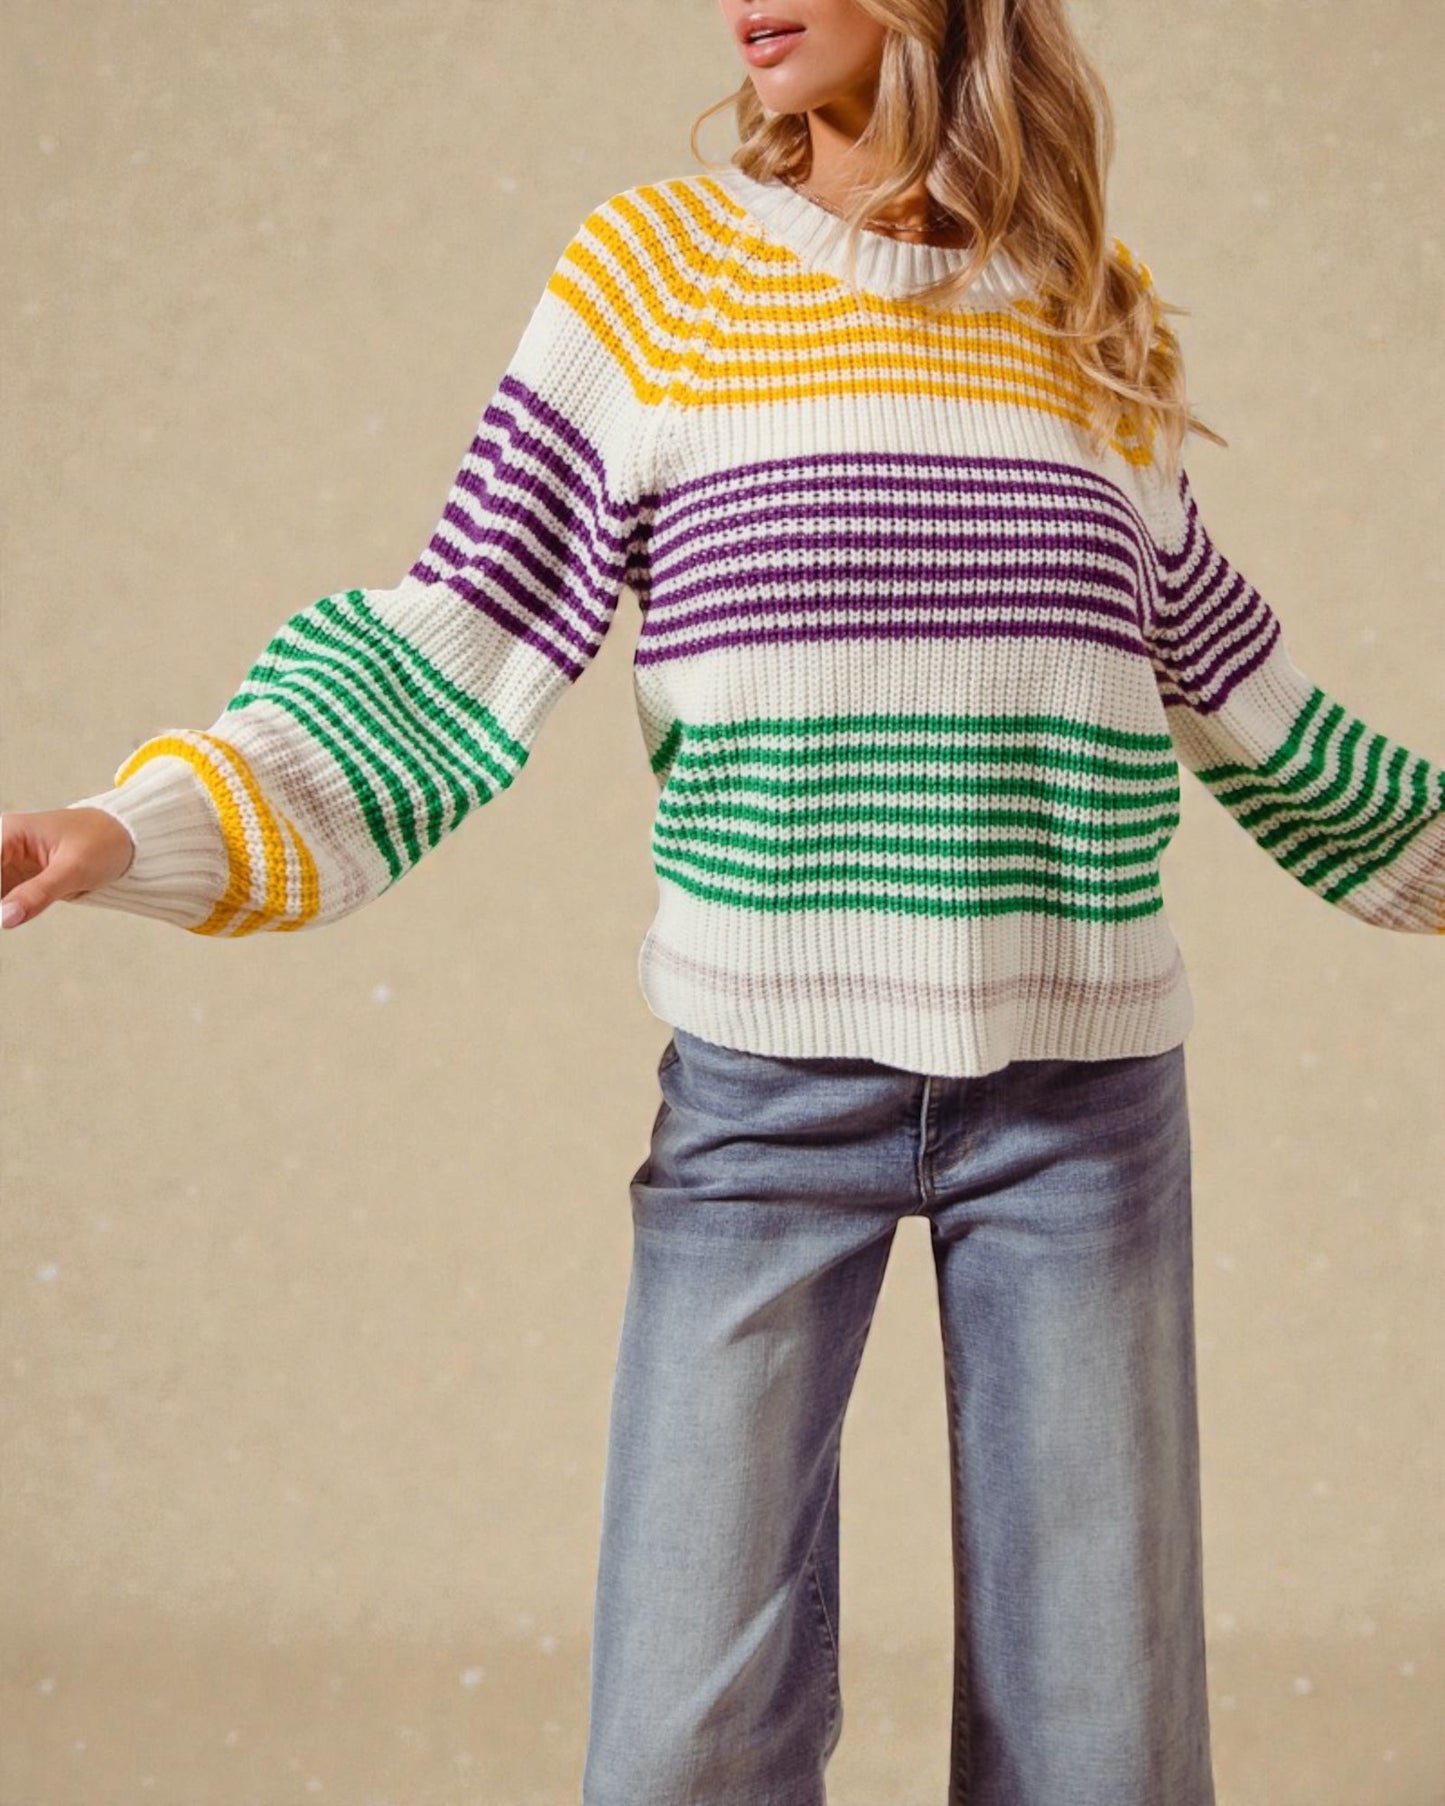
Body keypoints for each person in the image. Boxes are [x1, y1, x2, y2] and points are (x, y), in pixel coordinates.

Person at [4, 1, 1442, 1800]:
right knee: (681, 1738)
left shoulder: (1089, 308)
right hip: (766, 1102)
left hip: (1080, 1114)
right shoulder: (656, 277)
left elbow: (1241, 691)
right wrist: (142, 820)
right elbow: (454, 645)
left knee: (1104, 1746)